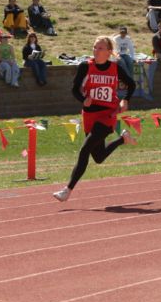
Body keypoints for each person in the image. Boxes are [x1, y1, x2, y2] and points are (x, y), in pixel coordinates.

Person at [53, 36, 136, 202]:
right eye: (94, 47)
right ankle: (123, 139)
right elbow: (75, 89)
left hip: (107, 114)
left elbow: (131, 84)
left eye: (100, 48)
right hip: (89, 115)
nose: (96, 51)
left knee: (84, 150)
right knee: (98, 157)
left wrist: (125, 99)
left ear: (108, 52)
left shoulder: (115, 68)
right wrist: (83, 100)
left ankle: (67, 190)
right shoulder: (86, 66)